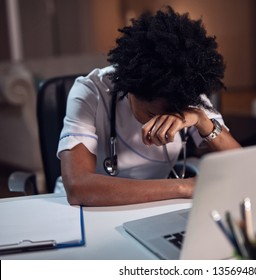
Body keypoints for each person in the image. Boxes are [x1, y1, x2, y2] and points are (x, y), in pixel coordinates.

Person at [57, 6, 241, 206]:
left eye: (173, 114)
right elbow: (78, 187)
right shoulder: (90, 92)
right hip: (83, 211)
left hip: (150, 205)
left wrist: (202, 120)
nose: (161, 121)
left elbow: (243, 165)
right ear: (131, 90)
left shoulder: (184, 91)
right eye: (152, 113)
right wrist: (185, 187)